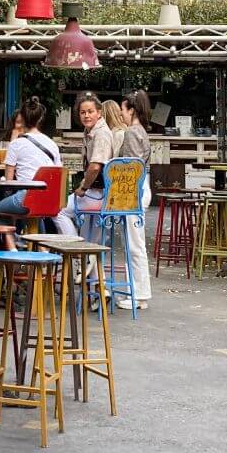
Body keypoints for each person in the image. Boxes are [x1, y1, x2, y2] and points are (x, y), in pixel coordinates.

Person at [55, 93, 114, 239]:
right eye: (83, 112)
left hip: (98, 193)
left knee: (58, 210)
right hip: (98, 193)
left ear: (99, 113)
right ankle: (87, 259)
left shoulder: (101, 133)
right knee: (89, 234)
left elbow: (95, 167)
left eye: (90, 111)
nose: (86, 116)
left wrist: (83, 188)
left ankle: (73, 249)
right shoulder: (90, 131)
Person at [0, 95, 61, 219]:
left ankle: (15, 239)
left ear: (22, 119)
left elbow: (8, 183)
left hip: (26, 198)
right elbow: (58, 173)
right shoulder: (52, 144)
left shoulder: (16, 144)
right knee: (35, 213)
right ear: (40, 118)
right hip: (51, 199)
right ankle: (35, 238)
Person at [119, 89, 154, 310]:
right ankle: (139, 294)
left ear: (131, 110)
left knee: (134, 245)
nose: (121, 114)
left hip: (134, 189)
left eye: (123, 110)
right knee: (135, 243)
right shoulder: (142, 131)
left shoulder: (132, 132)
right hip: (143, 187)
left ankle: (139, 294)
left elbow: (130, 167)